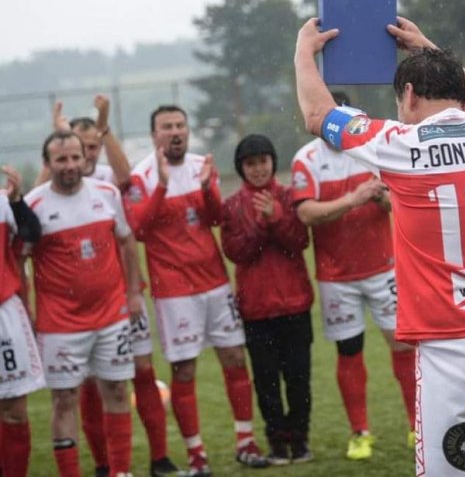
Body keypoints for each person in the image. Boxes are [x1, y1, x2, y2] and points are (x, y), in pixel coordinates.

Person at [294, 16, 465, 477]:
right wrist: (430, 51)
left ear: (408, 95)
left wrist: (302, 50)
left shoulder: (402, 144)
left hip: (455, 348)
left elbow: (317, 114)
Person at [124, 105, 267, 475]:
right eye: (167, 127)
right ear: (154, 134)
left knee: (235, 359)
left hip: (215, 283)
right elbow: (139, 229)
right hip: (174, 292)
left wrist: (207, 188)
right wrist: (161, 187)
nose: (175, 132)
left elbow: (216, 218)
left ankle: (245, 442)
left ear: (187, 131)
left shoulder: (201, 164)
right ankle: (196, 456)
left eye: (180, 126)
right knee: (184, 371)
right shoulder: (141, 177)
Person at [49, 97, 183, 477]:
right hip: (84, 308)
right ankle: (104, 464)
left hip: (126, 297)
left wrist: (104, 128)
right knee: (92, 385)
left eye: (92, 147)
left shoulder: (107, 179)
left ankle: (159, 458)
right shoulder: (59, 185)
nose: (87, 154)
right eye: (80, 146)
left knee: (142, 372)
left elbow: (127, 178)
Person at [291, 91, 416, 461]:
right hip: (336, 277)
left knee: (404, 345)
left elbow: (402, 203)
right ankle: (360, 432)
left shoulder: (373, 150)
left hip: (383, 268)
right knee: (349, 350)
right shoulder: (306, 160)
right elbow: (307, 214)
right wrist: (354, 198)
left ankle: (416, 424)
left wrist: (380, 199)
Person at [25, 131, 144, 476]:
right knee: (64, 401)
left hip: (112, 316)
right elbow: (19, 261)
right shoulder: (34, 204)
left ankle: (120, 471)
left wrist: (133, 292)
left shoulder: (106, 194)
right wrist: (27, 309)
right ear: (48, 164)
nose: (71, 165)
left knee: (118, 390)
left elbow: (126, 240)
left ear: (85, 158)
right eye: (61, 159)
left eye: (76, 157)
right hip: (59, 323)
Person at [221, 134, 314, 465]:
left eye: (263, 161)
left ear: (273, 161)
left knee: (299, 378)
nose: (258, 169)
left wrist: (278, 217)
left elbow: (300, 241)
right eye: (250, 163)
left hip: (295, 304)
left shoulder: (290, 197)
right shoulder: (231, 206)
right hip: (256, 309)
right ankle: (277, 442)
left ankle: (300, 440)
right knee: (266, 381)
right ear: (241, 168)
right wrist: (262, 226)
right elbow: (236, 252)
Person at [0, 165, 44, 477]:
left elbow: (32, 234)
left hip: (4, 315)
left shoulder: (2, 202)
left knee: (14, 411)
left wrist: (16, 201)